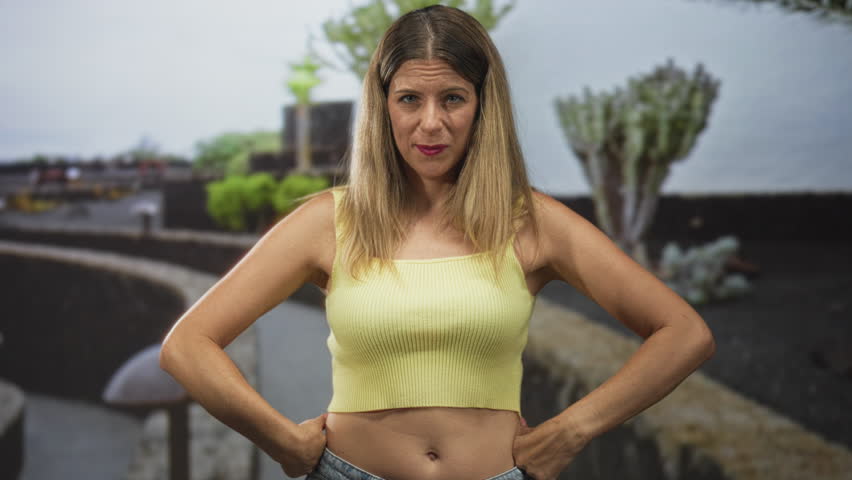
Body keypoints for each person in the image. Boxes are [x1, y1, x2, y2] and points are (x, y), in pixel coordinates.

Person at [159, 5, 716, 480]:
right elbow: (187, 345)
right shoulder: (329, 222)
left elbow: (684, 333)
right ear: (383, 106)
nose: (431, 123)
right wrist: (281, 440)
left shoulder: (530, 222)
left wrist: (572, 430)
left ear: (483, 106)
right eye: (409, 99)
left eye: (452, 98)